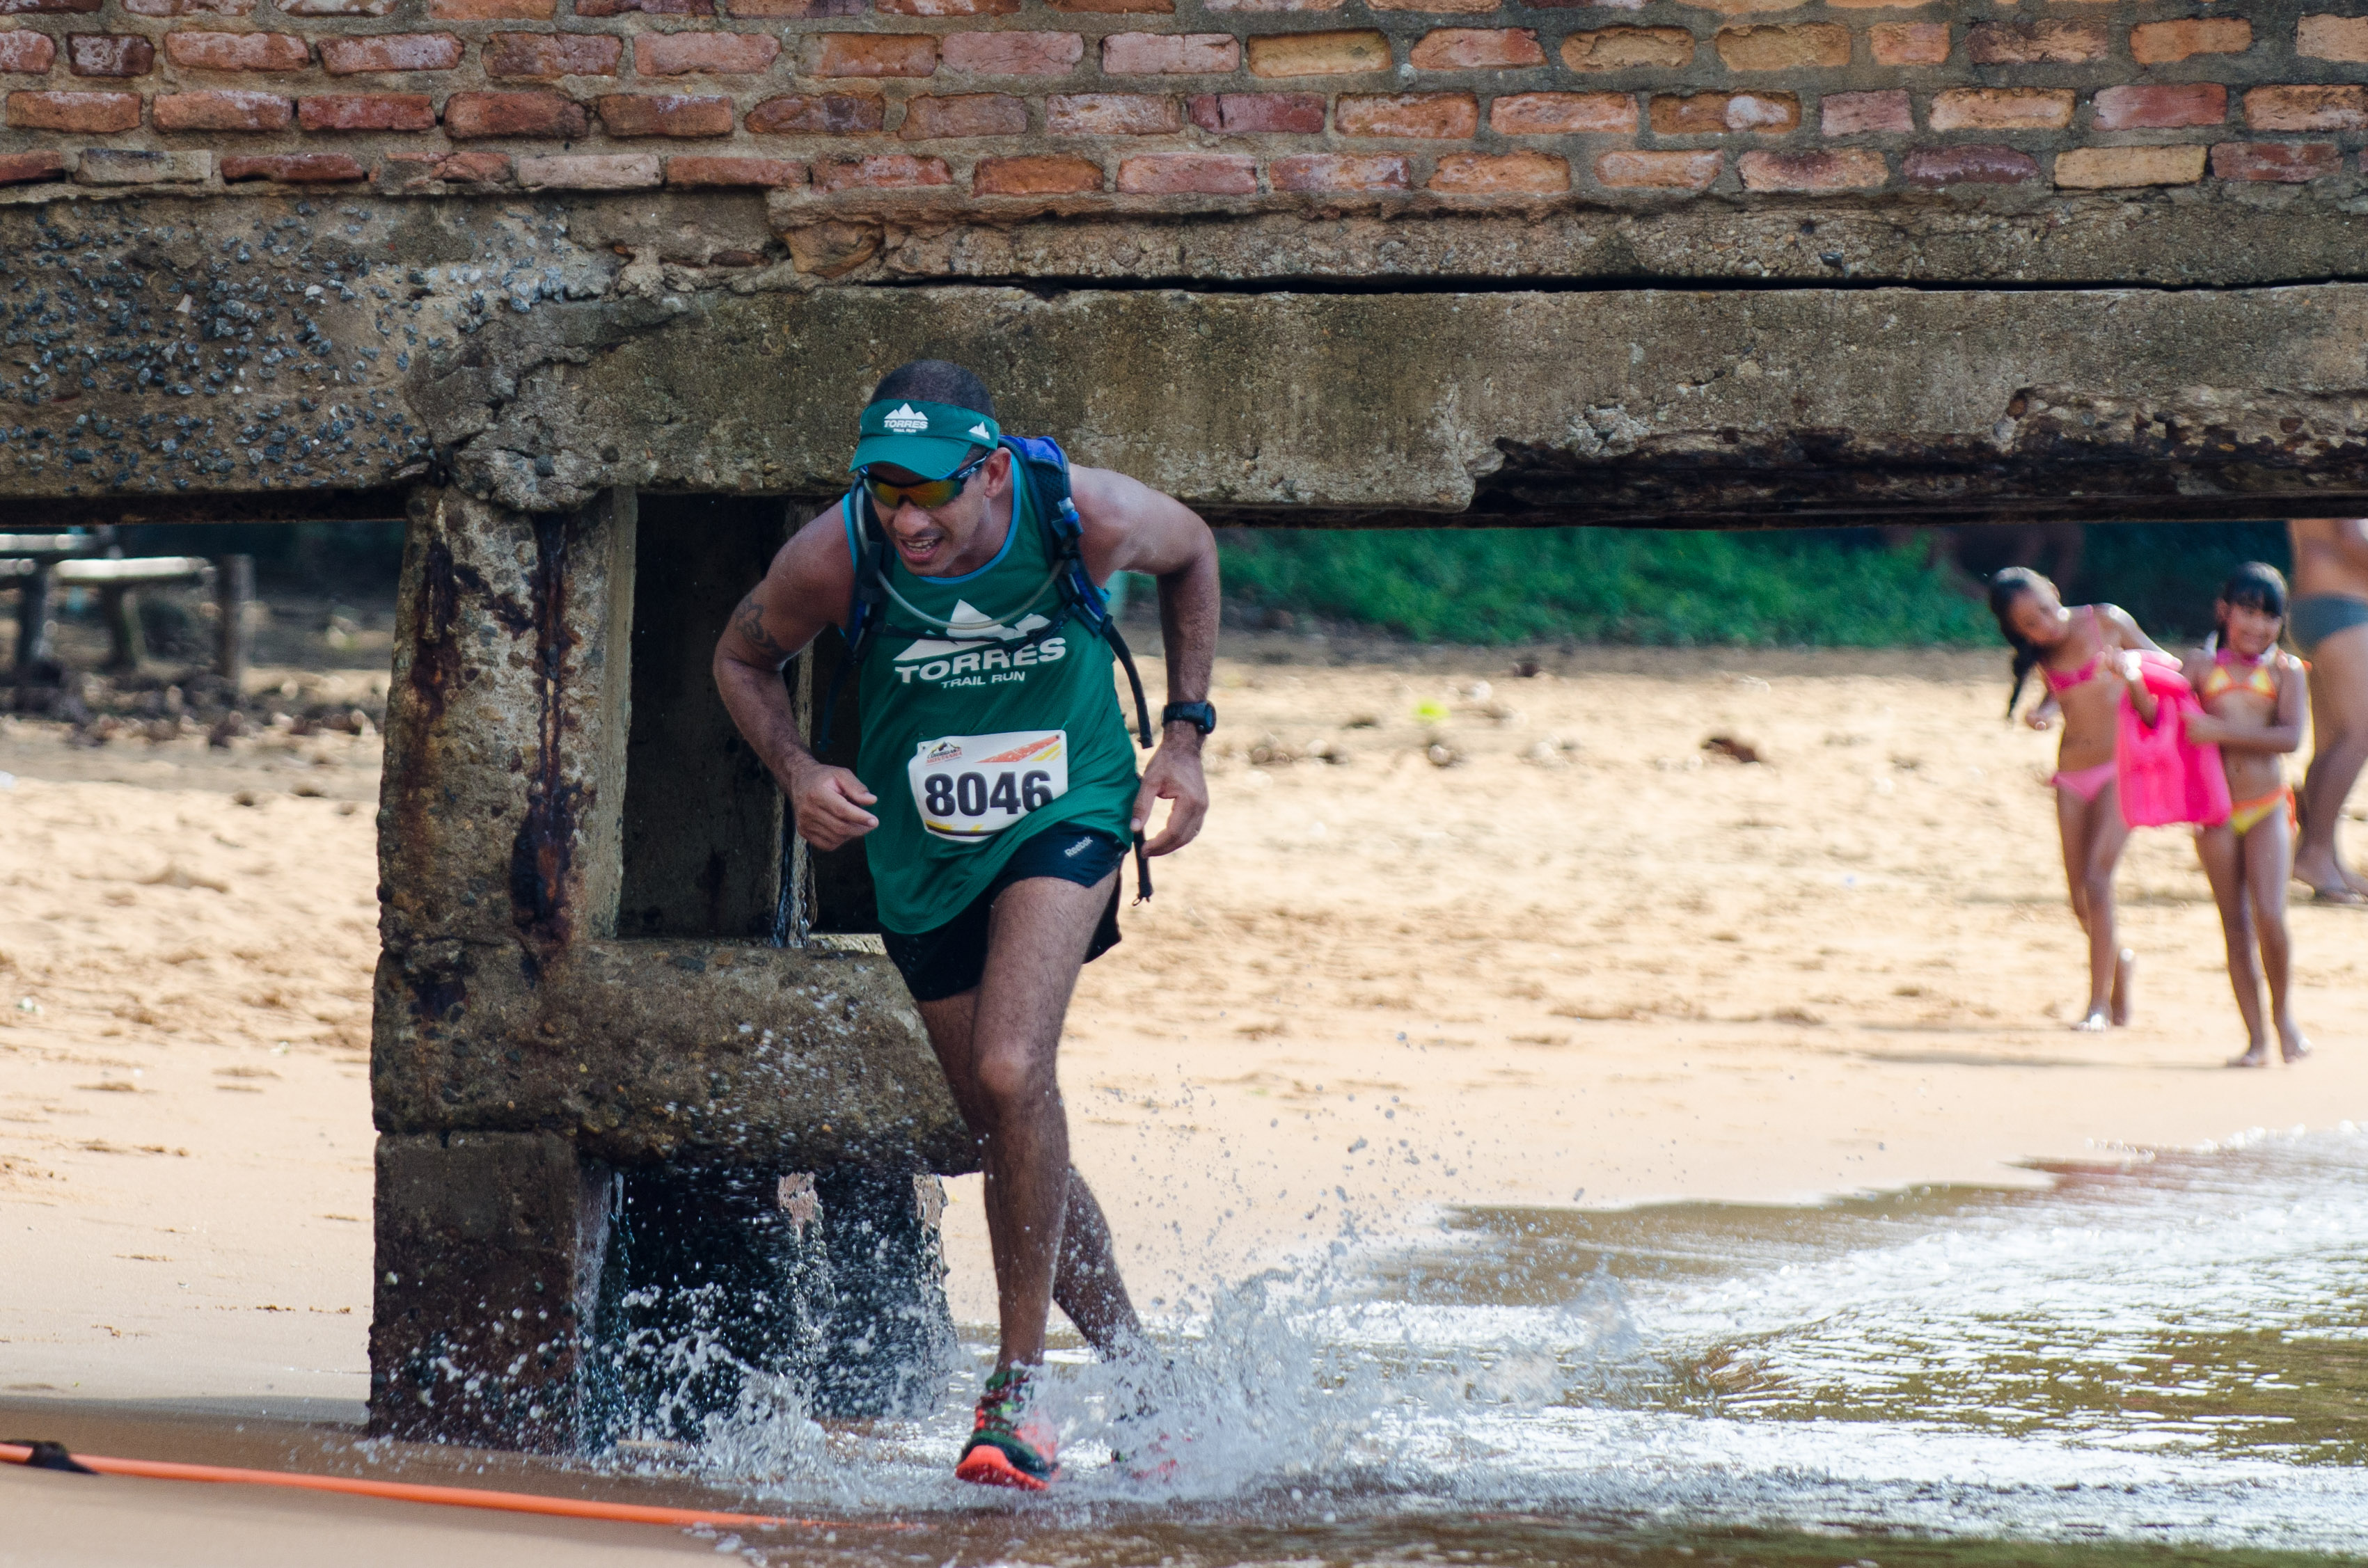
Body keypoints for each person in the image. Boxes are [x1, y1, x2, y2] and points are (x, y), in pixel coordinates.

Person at [712, 361, 1220, 1489]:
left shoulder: (1078, 513)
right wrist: (795, 766)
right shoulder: (836, 553)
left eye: (928, 493)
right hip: (923, 851)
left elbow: (1193, 552)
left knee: (1006, 1062)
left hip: (1073, 804)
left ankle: (1017, 1389)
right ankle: (1141, 1374)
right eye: (885, 491)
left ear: (989, 472)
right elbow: (743, 657)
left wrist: (1181, 737)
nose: (906, 518)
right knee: (1008, 1116)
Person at [1989, 569, 2167, 1031]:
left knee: (2097, 879)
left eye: (2046, 609)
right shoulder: (2046, 654)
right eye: (2030, 623)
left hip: (2120, 768)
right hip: (2071, 774)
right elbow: (2060, 694)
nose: (2046, 624)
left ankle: (2098, 1006)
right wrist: (2043, 712)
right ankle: (2119, 962)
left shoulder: (2106, 621)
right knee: (2078, 899)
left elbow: (2168, 664)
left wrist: (2130, 670)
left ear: (2055, 589)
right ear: (2018, 631)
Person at [2180, 564, 2311, 1068]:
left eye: (2268, 618)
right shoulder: (2198, 664)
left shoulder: (2286, 670)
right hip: (2213, 811)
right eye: (2248, 613)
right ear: (2225, 611)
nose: (2257, 627)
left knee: (2270, 915)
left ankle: (2285, 1020)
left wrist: (2216, 731)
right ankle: (2255, 1039)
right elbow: (2162, 714)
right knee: (2234, 925)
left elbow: (2289, 738)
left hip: (2267, 807)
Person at [2286, 518, 2368, 903]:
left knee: (2333, 742)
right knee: (2360, 734)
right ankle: (2315, 852)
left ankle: (2325, 857)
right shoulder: (2351, 459)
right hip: (2342, 607)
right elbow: (2352, 537)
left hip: (2313, 606)